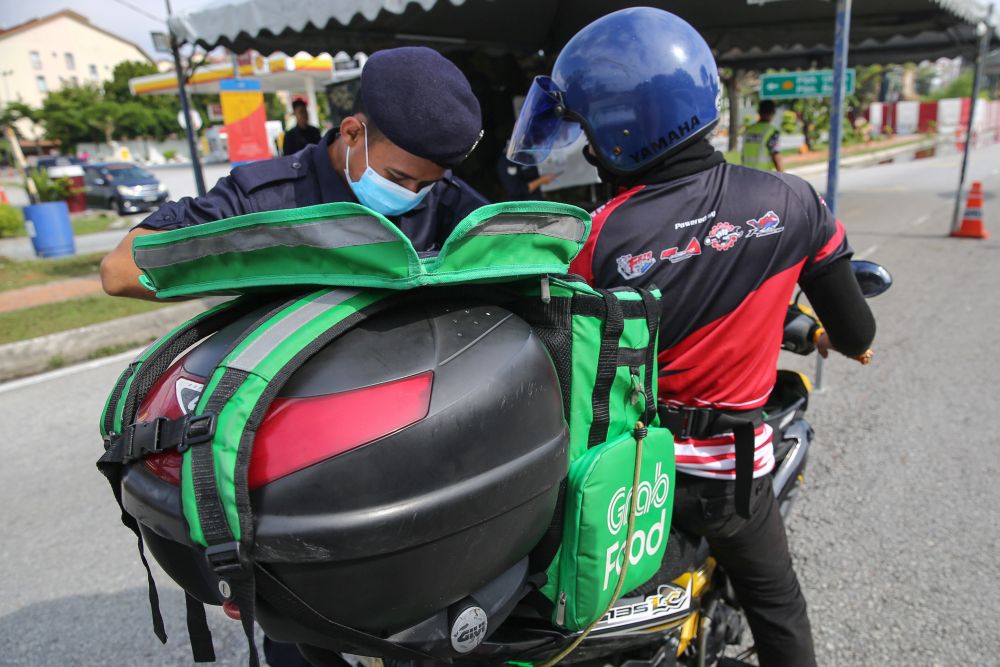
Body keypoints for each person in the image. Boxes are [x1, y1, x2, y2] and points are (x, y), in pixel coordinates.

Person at [507, 8, 876, 667]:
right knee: (779, 607)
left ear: (620, 128)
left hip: (637, 468)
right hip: (735, 475)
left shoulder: (598, 235)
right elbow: (856, 331)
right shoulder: (795, 202)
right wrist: (812, 328)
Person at [101, 46, 487, 299]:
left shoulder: (442, 197)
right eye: (398, 178)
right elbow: (120, 270)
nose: (413, 192)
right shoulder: (267, 195)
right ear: (353, 132)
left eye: (426, 184)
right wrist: (271, 266)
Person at [742, 100, 783, 171]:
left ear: (759, 112)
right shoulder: (772, 132)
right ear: (773, 113)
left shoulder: (748, 130)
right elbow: (775, 156)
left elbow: (743, 155)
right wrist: (782, 176)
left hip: (747, 174)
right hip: (764, 175)